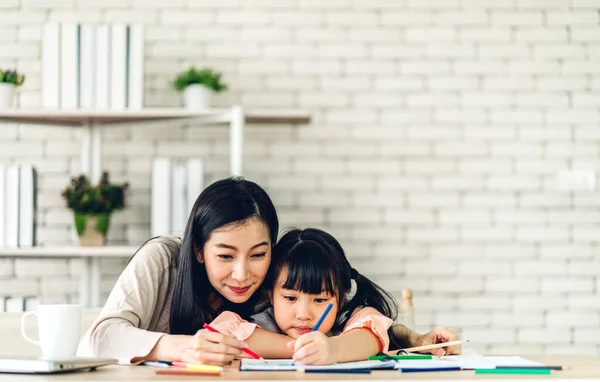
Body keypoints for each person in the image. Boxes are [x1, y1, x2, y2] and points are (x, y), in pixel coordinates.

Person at [79, 176, 461, 365]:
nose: (243, 274)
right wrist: (186, 346)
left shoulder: (277, 281)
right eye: (225, 256)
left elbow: (349, 318)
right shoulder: (163, 260)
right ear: (197, 249)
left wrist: (411, 337)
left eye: (258, 254)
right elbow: (102, 338)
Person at [210, 228, 398, 364]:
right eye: (290, 298)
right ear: (271, 296)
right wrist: (300, 348)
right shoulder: (261, 323)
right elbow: (223, 334)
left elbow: (371, 336)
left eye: (320, 300)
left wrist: (332, 349)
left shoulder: (347, 320)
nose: (303, 314)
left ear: (340, 299)